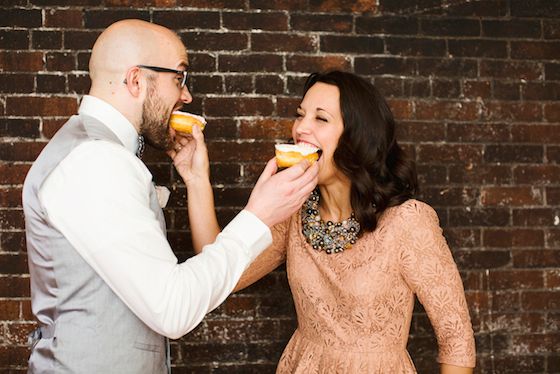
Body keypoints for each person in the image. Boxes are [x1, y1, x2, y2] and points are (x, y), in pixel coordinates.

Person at [22, 19, 318, 373]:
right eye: (179, 78)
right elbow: (173, 309)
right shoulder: (96, 161)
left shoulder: (96, 153)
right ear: (136, 80)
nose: (186, 95)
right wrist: (258, 217)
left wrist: (196, 180)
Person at [190, 71, 476, 373]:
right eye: (300, 115)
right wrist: (195, 177)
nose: (301, 128)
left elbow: (456, 338)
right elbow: (220, 272)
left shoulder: (407, 221)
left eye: (321, 119)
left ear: (357, 137)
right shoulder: (293, 212)